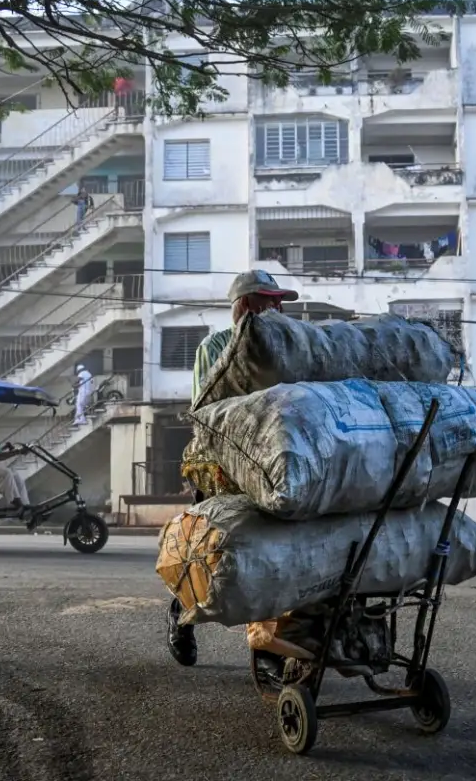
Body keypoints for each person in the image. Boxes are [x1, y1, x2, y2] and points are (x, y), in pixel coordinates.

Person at [168, 269, 298, 677]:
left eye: (279, 301)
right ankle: (181, 616)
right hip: (222, 466)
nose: (277, 307)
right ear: (245, 305)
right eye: (269, 299)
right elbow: (211, 410)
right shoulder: (216, 347)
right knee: (206, 553)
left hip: (269, 463)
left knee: (266, 553)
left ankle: (268, 649)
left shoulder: (285, 348)